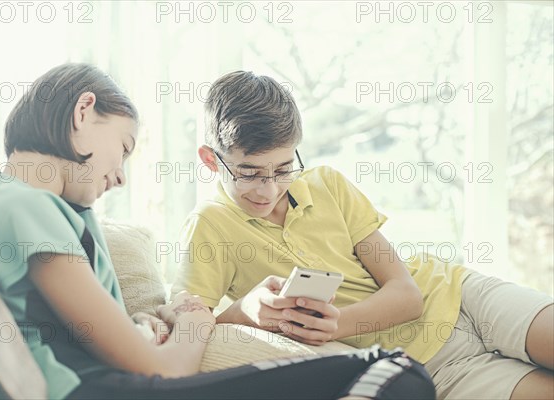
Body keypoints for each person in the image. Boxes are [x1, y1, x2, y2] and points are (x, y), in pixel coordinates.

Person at [0, 63, 435, 400]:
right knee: (395, 370)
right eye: (124, 148)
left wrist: (159, 322)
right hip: (102, 392)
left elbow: (104, 333)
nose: (121, 176)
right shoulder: (19, 204)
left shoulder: (36, 207)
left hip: (110, 385)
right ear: (84, 113)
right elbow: (158, 371)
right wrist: (195, 324)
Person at [171, 70, 554, 400]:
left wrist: (337, 325)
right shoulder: (209, 225)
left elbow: (407, 295)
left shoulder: (327, 184)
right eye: (249, 173)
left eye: (284, 168)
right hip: (433, 368)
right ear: (210, 159)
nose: (269, 190)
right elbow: (193, 328)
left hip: (464, 297)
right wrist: (245, 312)